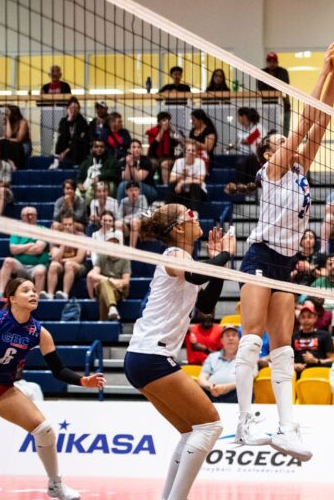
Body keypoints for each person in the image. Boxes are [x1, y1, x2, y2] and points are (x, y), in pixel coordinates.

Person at [232, 49, 334, 461]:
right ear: (268, 154)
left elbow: (322, 120)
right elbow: (306, 121)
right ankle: (243, 422)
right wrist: (325, 67)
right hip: (259, 255)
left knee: (283, 348)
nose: (285, 145)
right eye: (277, 144)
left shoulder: (298, 173)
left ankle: (287, 428)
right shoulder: (272, 170)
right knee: (251, 337)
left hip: (285, 263)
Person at [125, 204, 232, 500]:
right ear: (178, 229)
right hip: (151, 356)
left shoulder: (185, 259)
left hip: (143, 358)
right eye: (189, 214)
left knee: (191, 431)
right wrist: (225, 254)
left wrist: (217, 263)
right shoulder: (173, 255)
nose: (195, 215)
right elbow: (197, 277)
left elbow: (207, 304)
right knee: (210, 425)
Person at [0, 278, 105, 500]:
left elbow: (58, 369)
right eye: (25, 290)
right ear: (11, 298)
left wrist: (82, 381)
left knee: (44, 429)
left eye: (35, 290)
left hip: (0, 389)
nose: (33, 294)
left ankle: (55, 485)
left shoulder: (39, 332)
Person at [0, 207, 50, 299]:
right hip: (20, 265)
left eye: (32, 214)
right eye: (26, 215)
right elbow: (13, 249)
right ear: (21, 217)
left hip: (37, 265)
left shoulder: (43, 230)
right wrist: (30, 244)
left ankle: (37, 297)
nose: (29, 217)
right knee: (8, 261)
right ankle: (0, 292)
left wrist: (21, 249)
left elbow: (38, 249)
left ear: (36, 217)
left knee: (40, 270)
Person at [87, 232, 130, 321]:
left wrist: (118, 282)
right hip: (104, 285)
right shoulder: (101, 256)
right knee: (103, 284)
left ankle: (104, 322)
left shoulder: (125, 259)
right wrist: (109, 280)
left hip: (118, 289)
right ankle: (112, 307)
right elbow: (93, 275)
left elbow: (126, 280)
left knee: (104, 291)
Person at [42, 213, 86, 301]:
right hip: (61, 264)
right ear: (62, 225)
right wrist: (63, 242)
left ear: (74, 225)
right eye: (65, 224)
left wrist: (64, 260)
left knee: (69, 264)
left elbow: (79, 258)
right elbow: (55, 258)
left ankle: (65, 294)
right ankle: (50, 295)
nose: (67, 227)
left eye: (70, 224)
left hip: (78, 266)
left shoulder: (81, 237)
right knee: (53, 265)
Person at [198, 325, 245, 404]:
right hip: (211, 393)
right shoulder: (212, 357)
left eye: (234, 335)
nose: (230, 338)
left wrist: (226, 388)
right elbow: (202, 378)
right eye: (227, 336)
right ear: (221, 340)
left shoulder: (246, 358)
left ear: (239, 340)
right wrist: (209, 386)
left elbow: (247, 380)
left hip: (236, 394)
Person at [292, 304, 334, 376]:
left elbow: (332, 360)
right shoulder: (293, 337)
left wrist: (316, 361)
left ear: (315, 318)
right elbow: (287, 360)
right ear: (299, 319)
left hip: (319, 373)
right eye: (303, 317)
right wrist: (294, 365)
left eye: (309, 317)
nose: (306, 320)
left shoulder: (325, 335)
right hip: (297, 375)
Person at [257, 52, 291, 135]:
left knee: (284, 132)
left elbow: (284, 85)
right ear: (267, 62)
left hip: (284, 107)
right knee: (269, 131)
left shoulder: (283, 72)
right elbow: (261, 87)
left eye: (273, 61)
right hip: (268, 107)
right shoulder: (262, 72)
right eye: (269, 61)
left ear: (277, 62)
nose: (272, 63)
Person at [77, 139, 120, 204]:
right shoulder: (86, 162)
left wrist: (99, 177)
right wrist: (80, 184)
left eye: (101, 147)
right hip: (88, 183)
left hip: (106, 184)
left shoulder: (112, 161)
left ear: (105, 148)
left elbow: (114, 173)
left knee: (90, 191)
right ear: (92, 149)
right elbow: (80, 177)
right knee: (77, 193)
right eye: (96, 147)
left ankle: (90, 211)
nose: (99, 149)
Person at [168, 142, 207, 213]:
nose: (190, 152)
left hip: (198, 193)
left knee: (194, 185)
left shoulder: (200, 162)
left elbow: (200, 180)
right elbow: (171, 179)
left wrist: (182, 182)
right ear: (185, 152)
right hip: (182, 192)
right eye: (188, 150)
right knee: (172, 185)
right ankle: (169, 211)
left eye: (193, 150)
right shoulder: (178, 162)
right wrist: (181, 176)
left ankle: (194, 213)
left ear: (196, 153)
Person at [53, 97, 89, 169]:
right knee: (60, 137)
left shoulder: (82, 122)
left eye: (76, 108)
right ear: (67, 109)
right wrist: (69, 120)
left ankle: (76, 164)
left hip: (78, 148)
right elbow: (62, 136)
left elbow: (78, 139)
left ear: (79, 109)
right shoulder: (63, 121)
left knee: (77, 143)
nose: (74, 110)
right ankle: (56, 159)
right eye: (72, 108)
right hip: (65, 146)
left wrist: (65, 152)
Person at [146, 111, 179, 185]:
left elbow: (175, 144)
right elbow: (153, 146)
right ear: (159, 122)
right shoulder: (152, 131)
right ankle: (153, 185)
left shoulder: (171, 132)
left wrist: (171, 134)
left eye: (168, 120)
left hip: (168, 158)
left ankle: (166, 187)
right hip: (155, 158)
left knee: (165, 164)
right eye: (164, 120)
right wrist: (162, 130)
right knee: (151, 163)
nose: (166, 122)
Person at [0, 105, 31, 170]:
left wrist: (6, 139)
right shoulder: (7, 122)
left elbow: (19, 139)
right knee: (2, 142)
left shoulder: (23, 122)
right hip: (11, 144)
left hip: (23, 145)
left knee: (6, 143)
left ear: (13, 113)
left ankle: (10, 163)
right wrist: (7, 120)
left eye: (7, 112)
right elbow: (8, 136)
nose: (5, 114)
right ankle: (10, 162)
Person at [120, 180, 149, 248]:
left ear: (139, 191)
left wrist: (129, 217)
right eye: (131, 190)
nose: (133, 192)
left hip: (141, 223)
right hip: (127, 224)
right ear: (126, 191)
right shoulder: (124, 201)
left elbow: (142, 213)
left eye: (136, 190)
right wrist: (124, 221)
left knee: (134, 222)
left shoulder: (142, 198)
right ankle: (119, 250)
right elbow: (118, 215)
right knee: (118, 224)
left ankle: (131, 249)